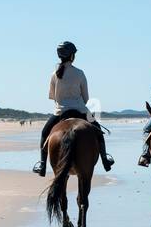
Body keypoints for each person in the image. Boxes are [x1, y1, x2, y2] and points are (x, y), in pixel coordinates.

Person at [33, 41, 114, 176]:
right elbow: (86, 98)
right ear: (72, 56)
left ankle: (42, 165)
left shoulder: (54, 74)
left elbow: (53, 97)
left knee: (44, 132)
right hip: (80, 111)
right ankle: (105, 159)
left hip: (60, 112)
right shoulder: (80, 73)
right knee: (98, 132)